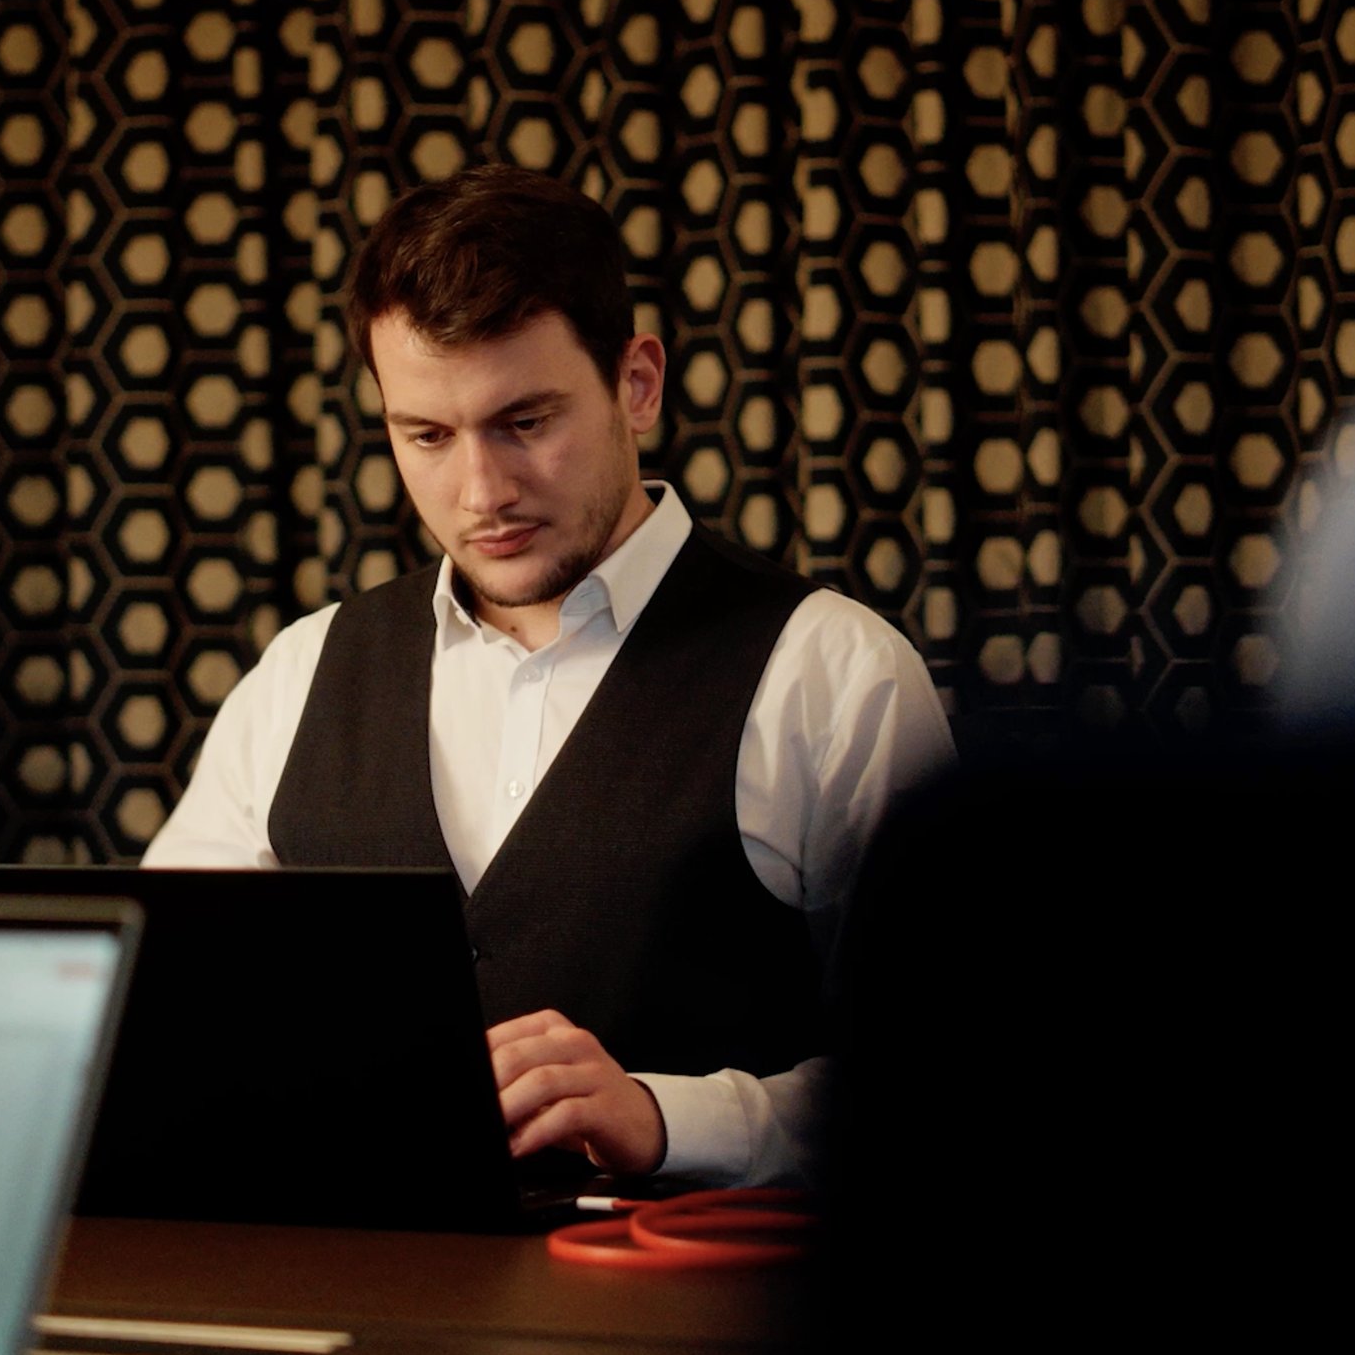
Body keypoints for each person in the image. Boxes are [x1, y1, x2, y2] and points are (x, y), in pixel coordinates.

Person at [146, 165, 955, 1187]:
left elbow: (957, 1074)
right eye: (427, 435)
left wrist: (672, 1116)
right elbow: (160, 1016)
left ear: (637, 382)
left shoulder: (835, 677)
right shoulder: (299, 675)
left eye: (525, 422)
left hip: (682, 1283)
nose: (481, 490)